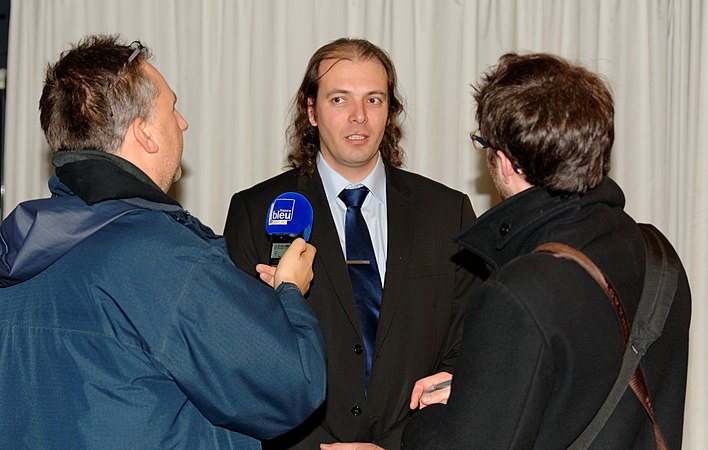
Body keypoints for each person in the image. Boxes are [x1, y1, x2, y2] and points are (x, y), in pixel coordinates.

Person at [0, 35, 327, 449]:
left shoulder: (18, 256)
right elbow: (291, 386)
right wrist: (290, 293)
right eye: (171, 107)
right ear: (145, 135)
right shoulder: (167, 261)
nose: (183, 122)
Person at [401, 52, 692, 449]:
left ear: (506, 163)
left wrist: (432, 417)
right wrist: (483, 392)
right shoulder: (659, 255)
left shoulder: (518, 291)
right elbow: (589, 391)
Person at [223, 37, 481, 449]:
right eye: (340, 100)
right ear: (312, 111)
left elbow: (467, 351)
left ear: (390, 112)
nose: (359, 117)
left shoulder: (448, 212)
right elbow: (240, 356)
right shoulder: (256, 212)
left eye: (374, 100)